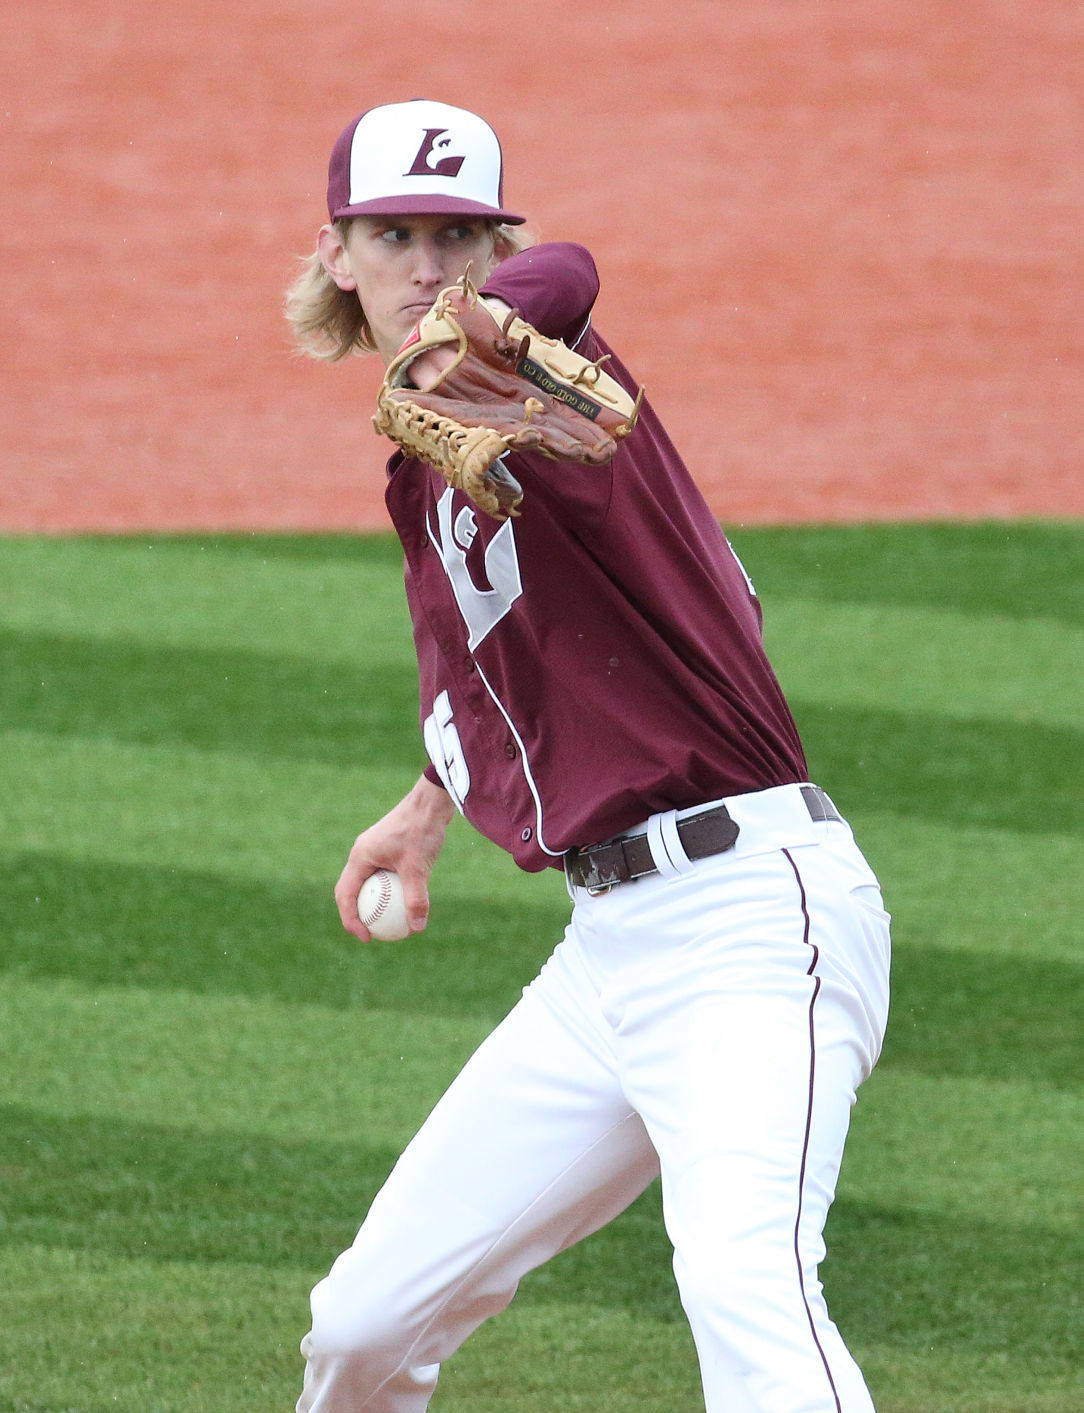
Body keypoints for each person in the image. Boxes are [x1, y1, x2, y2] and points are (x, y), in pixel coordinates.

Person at [286, 98, 891, 1413]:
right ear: (340, 253)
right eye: (395, 235)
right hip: (607, 959)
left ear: (496, 246)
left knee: (749, 1286)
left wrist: (497, 320)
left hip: (750, 918)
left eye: (459, 237)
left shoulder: (540, 358)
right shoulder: (422, 472)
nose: (427, 266)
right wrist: (429, 803)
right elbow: (506, 673)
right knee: (363, 1324)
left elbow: (567, 271)